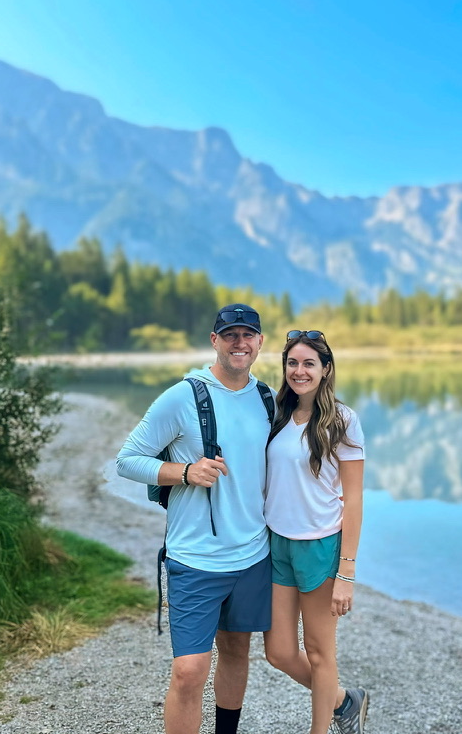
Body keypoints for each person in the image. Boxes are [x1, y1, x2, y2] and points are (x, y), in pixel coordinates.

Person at [115, 304, 272, 734]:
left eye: (248, 335)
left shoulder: (267, 399)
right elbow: (127, 460)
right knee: (189, 671)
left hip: (253, 556)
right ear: (214, 341)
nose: (239, 344)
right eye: (230, 335)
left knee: (237, 652)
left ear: (260, 342)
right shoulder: (182, 396)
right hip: (195, 558)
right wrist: (184, 472)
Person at [263, 329, 369, 734]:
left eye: (309, 363)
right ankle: (344, 700)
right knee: (279, 652)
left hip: (321, 547)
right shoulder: (276, 416)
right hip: (278, 544)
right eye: (292, 362)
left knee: (320, 653)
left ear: (326, 370)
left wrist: (346, 573)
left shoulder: (342, 420)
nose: (299, 371)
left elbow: (354, 500)